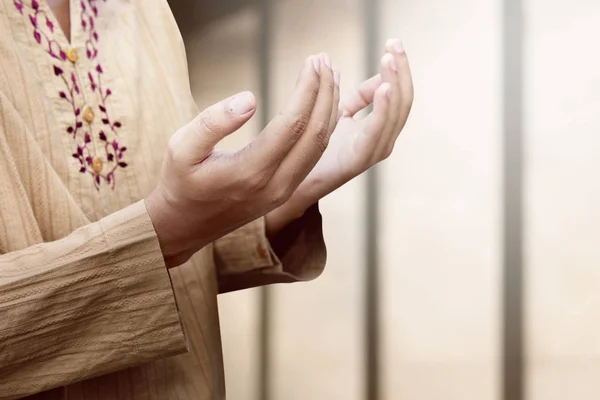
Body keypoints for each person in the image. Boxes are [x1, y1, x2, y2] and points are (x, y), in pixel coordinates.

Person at [0, 0, 414, 398]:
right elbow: (155, 235)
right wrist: (161, 232)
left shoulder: (144, 10)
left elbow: (170, 255)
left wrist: (288, 186)